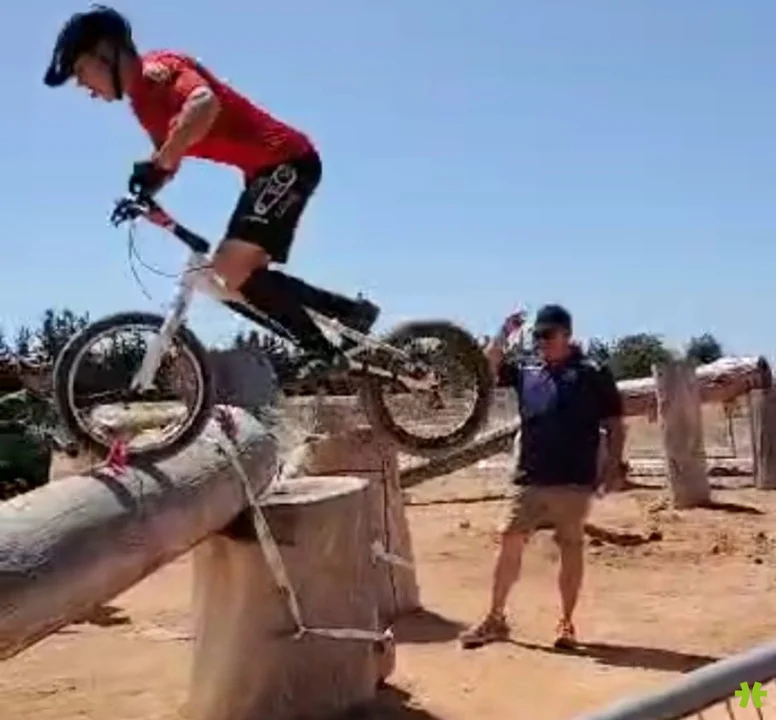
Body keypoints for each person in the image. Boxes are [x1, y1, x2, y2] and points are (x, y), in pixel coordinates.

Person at [43, 5, 379, 377]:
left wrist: (161, 161)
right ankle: (339, 326)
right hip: (264, 173)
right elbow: (170, 156)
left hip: (287, 161)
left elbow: (204, 104)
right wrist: (147, 190)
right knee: (232, 280)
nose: (84, 87)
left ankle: (339, 327)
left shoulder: (159, 70)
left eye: (80, 72)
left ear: (106, 53)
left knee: (230, 269)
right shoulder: (142, 106)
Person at [459, 304, 626, 650]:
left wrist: (612, 465)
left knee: (570, 547)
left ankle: (566, 623)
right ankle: (495, 618)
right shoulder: (526, 370)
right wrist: (504, 332)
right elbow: (486, 367)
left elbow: (614, 422)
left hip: (574, 479)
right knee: (510, 540)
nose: (542, 342)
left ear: (567, 335)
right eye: (537, 335)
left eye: (548, 335)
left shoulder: (593, 373)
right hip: (529, 476)